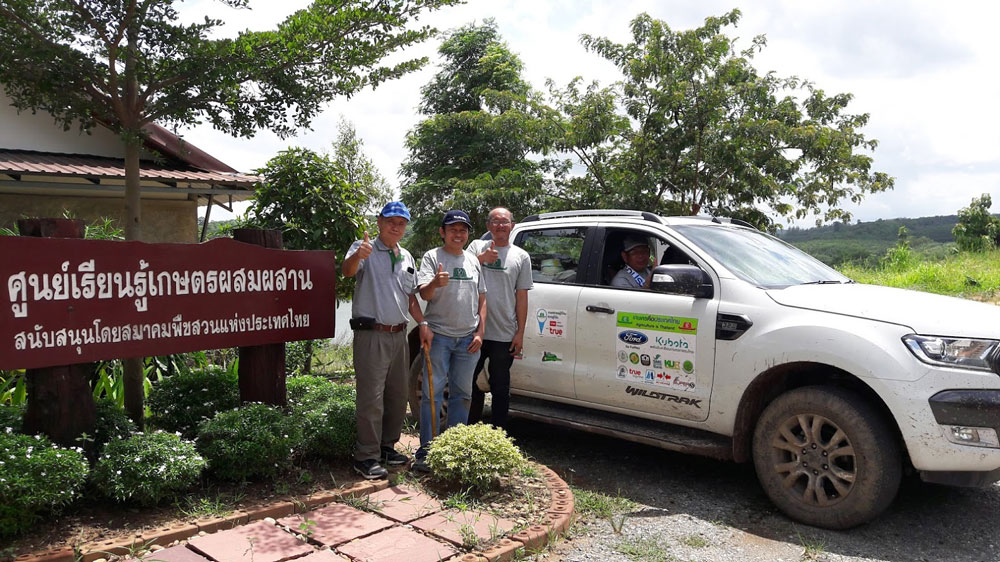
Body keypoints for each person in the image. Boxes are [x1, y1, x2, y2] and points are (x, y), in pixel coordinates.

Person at [342, 201, 431, 480]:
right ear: (379, 221)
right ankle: (365, 456)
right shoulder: (363, 247)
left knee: (398, 395)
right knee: (371, 398)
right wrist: (358, 255)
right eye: (391, 220)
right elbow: (346, 271)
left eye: (402, 222)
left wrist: (424, 323)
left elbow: (410, 296)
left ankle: (386, 447)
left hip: (399, 334)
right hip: (372, 334)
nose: (396, 226)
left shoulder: (405, 256)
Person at [413, 209, 487, 472]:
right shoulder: (433, 257)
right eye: (453, 229)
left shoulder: (473, 260)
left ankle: (454, 450)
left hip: (468, 339)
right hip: (439, 337)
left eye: (463, 229)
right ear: (442, 232)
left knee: (463, 395)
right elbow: (424, 294)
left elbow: (482, 298)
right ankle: (426, 452)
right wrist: (435, 282)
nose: (459, 234)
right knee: (431, 396)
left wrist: (480, 332)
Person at [467, 207, 533, 429]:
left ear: (512, 225)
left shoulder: (521, 256)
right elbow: (462, 270)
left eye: (504, 221)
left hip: (504, 332)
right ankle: (468, 430)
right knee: (467, 382)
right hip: (474, 329)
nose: (500, 225)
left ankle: (498, 435)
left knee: (500, 386)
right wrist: (481, 259)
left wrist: (520, 332)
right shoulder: (476, 246)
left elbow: (521, 296)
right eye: (495, 221)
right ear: (488, 226)